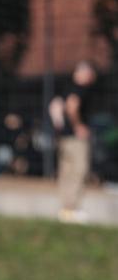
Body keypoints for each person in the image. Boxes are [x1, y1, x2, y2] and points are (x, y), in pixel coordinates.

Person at [51, 61, 97, 224]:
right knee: (79, 170)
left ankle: (65, 209)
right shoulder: (80, 89)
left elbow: (55, 107)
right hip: (75, 138)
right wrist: (79, 126)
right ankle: (73, 208)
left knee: (66, 172)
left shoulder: (66, 88)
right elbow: (72, 107)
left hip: (64, 137)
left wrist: (59, 127)